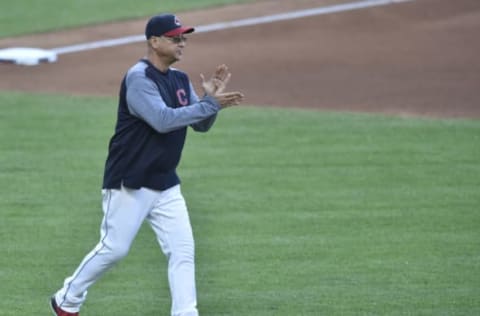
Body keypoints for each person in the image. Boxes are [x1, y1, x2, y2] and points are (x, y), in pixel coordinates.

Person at [50, 13, 244, 316]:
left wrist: (209, 101)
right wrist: (206, 105)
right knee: (114, 250)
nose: (182, 42)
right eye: (175, 37)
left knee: (182, 251)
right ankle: (67, 298)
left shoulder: (180, 79)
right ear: (154, 41)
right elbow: (162, 120)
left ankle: (186, 312)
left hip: (165, 181)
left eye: (183, 37)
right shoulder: (139, 79)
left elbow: (200, 124)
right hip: (131, 179)